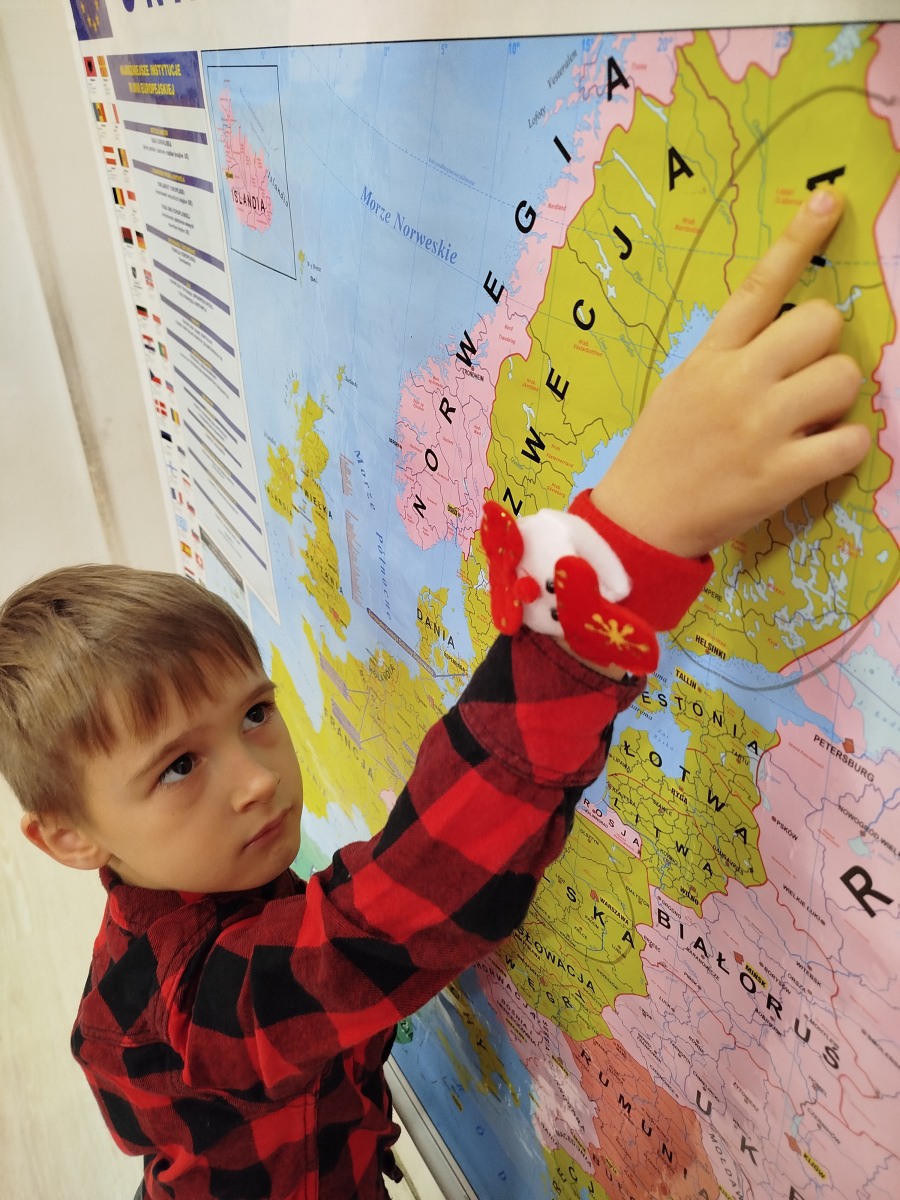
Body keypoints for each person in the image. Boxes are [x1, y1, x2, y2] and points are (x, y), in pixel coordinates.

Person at [0, 188, 868, 1200]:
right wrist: (616, 557)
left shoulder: (188, 891)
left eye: (255, 715)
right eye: (179, 766)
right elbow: (390, 919)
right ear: (69, 838)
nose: (255, 780)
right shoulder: (200, 1012)